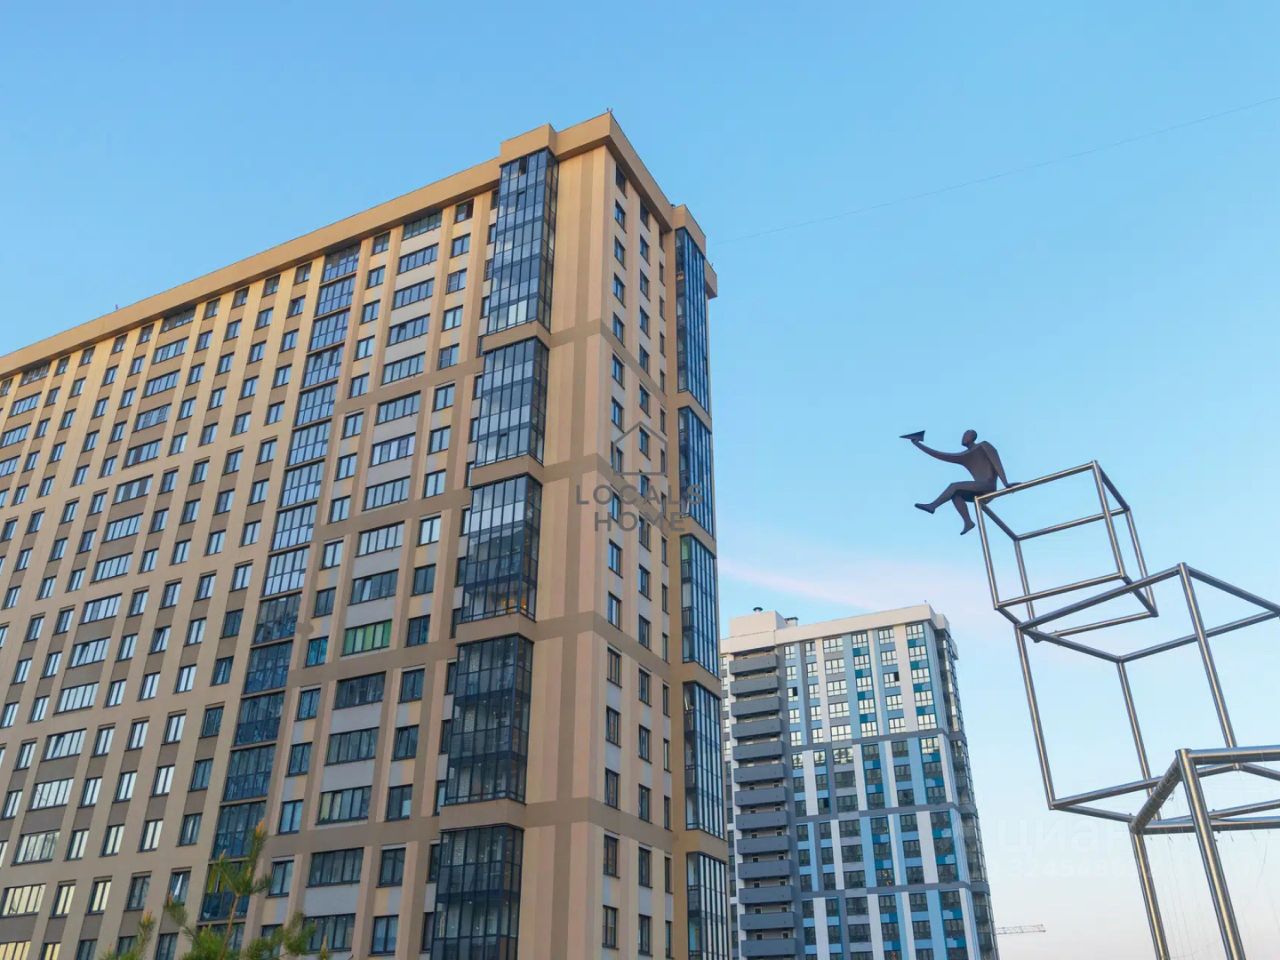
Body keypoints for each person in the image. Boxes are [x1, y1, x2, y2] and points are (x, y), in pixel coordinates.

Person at [908, 429, 1010, 534]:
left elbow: (996, 462)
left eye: (966, 434)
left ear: (973, 437)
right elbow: (940, 455)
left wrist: (1005, 483)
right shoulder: (965, 455)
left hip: (988, 486)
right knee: (955, 494)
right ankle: (968, 522)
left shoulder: (983, 445)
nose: (963, 437)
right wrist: (917, 444)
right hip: (978, 490)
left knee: (954, 486)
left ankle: (933, 506)